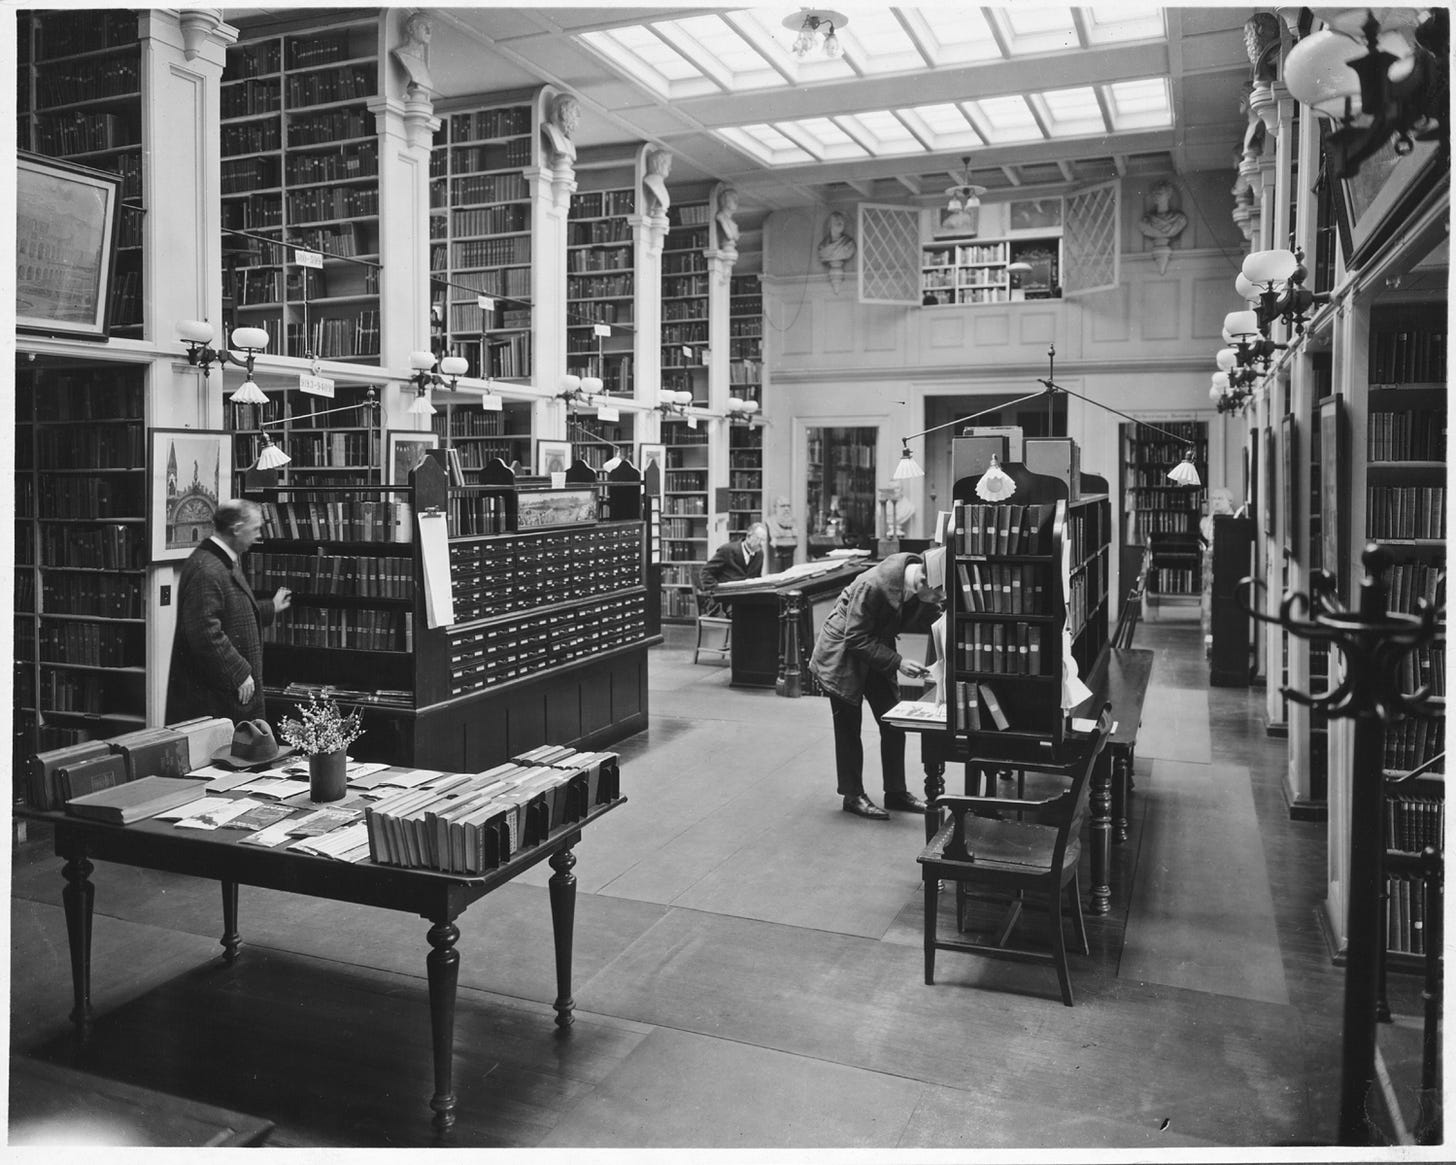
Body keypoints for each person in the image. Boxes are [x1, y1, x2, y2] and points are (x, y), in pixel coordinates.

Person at [810, 549, 945, 819]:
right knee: (849, 727)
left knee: (893, 722)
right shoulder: (872, 585)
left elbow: (930, 614)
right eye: (938, 595)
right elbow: (855, 638)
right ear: (922, 582)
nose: (940, 600)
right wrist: (898, 662)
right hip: (843, 654)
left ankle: (895, 793)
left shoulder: (920, 581)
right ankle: (852, 795)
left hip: (874, 649)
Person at [166, 499, 292, 724]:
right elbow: (204, 631)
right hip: (214, 696)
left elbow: (231, 614)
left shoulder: (220, 562)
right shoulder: (207, 569)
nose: (258, 535)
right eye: (255, 529)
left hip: (222, 692)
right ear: (236, 529)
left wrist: (270, 607)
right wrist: (239, 672)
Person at [698, 522, 767, 615]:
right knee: (745, 613)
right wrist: (717, 590)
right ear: (749, 536)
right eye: (759, 539)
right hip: (725, 600)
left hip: (747, 598)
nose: (762, 544)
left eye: (764, 540)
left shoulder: (759, 554)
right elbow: (705, 572)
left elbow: (756, 577)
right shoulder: (727, 550)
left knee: (767, 610)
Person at [392, 10, 435, 96]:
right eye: (423, 27)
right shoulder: (401, 54)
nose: (429, 32)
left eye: (430, 28)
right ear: (411, 29)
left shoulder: (422, 61)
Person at [1138, 179, 1188, 245]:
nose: (1155, 196)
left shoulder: (1179, 219)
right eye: (1154, 193)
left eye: (1159, 193)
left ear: (1168, 195)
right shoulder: (1146, 221)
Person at [543, 92, 579, 164]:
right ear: (564, 111)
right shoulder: (549, 129)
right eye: (575, 112)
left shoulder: (570, 142)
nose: (578, 117)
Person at [765, 496, 799, 573]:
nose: (786, 509)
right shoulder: (770, 521)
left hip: (790, 553)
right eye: (783, 506)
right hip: (778, 554)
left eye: (788, 506)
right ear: (775, 508)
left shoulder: (793, 522)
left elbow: (796, 536)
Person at [643, 148, 672, 216]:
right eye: (668, 165)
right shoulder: (650, 182)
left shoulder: (659, 184)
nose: (670, 169)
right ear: (658, 164)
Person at [715, 186, 740, 250]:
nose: (736, 203)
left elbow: (735, 237)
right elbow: (730, 236)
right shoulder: (721, 217)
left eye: (736, 200)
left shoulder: (732, 221)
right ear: (726, 202)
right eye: (734, 200)